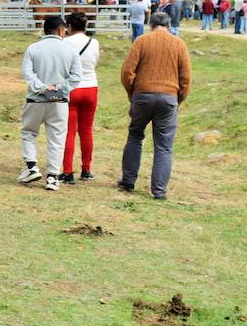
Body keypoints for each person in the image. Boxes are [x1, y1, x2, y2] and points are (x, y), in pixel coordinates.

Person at [117, 11, 192, 200]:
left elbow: (127, 72)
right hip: (168, 98)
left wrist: (132, 93)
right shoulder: (179, 44)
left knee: (135, 136)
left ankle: (128, 180)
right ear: (168, 25)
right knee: (164, 146)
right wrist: (178, 99)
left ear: (151, 25)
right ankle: (159, 191)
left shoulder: (141, 41)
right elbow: (186, 78)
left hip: (142, 95)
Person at [18, 15, 81, 192]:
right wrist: (59, 89)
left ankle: (31, 166)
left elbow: (28, 74)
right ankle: (52, 177)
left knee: (29, 133)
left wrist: (43, 88)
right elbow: (76, 77)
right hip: (59, 102)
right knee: (57, 139)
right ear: (61, 30)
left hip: (36, 99)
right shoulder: (70, 50)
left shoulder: (33, 48)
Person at [60, 12, 100, 185]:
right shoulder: (94, 42)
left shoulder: (65, 43)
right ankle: (86, 168)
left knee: (68, 131)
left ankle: (67, 171)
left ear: (69, 27)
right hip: (91, 87)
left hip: (72, 88)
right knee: (86, 130)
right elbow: (94, 62)